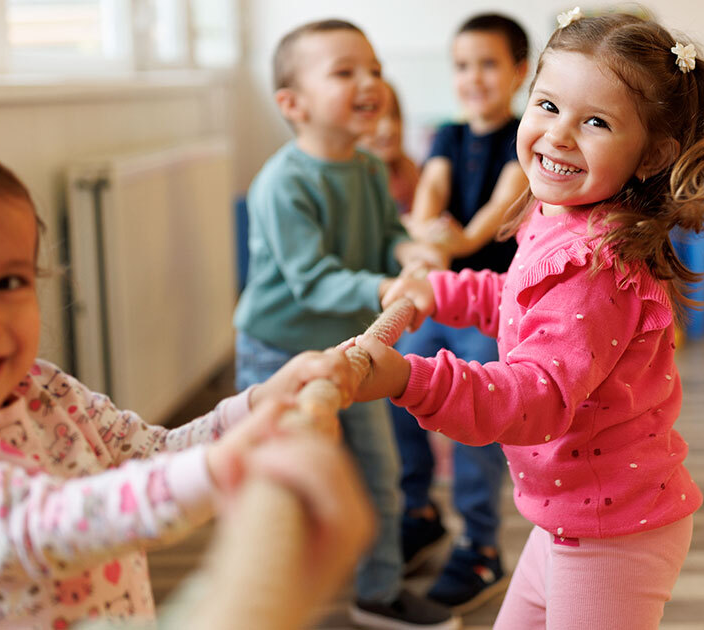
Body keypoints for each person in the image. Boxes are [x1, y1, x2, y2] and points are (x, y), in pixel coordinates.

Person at [350, 10, 704, 629]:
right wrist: (441, 292)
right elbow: (519, 300)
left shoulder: (594, 266)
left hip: (610, 535)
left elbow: (533, 400)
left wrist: (409, 379)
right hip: (570, 516)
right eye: (547, 105)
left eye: (595, 121)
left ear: (652, 154)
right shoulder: (563, 215)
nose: (559, 135)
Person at [0, 137, 375, 629]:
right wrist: (224, 468)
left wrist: (260, 404)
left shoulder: (44, 390)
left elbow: (154, 453)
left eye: (8, 283)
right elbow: (39, 524)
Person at [230, 18, 455, 630]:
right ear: (292, 104)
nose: (370, 82)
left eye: (375, 69)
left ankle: (378, 591)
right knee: (281, 484)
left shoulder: (365, 168)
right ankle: (265, 598)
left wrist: (406, 253)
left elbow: (385, 238)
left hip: (350, 351)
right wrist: (387, 284)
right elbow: (312, 278)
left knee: (379, 474)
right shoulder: (282, 182)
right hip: (276, 353)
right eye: (345, 71)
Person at [389, 13, 531, 613]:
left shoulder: (528, 135)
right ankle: (420, 512)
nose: (474, 77)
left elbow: (496, 215)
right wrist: (424, 231)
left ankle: (479, 544)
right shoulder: (446, 135)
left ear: (520, 72)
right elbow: (432, 191)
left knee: (476, 416)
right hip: (442, 297)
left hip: (490, 308)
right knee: (398, 384)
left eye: (489, 63)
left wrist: (447, 241)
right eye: (463, 65)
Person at [358, 83, 419, 215]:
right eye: (376, 118)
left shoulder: (409, 170)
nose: (388, 129)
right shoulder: (355, 178)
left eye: (394, 115)